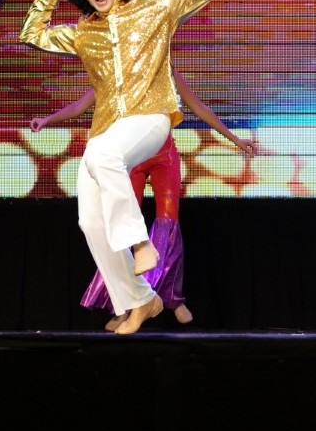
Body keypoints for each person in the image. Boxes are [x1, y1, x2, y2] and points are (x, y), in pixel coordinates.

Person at [21, 0, 222, 334]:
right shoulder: (83, 33)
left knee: (103, 158)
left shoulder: (154, 6)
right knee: (90, 221)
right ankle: (141, 299)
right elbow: (32, 34)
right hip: (106, 131)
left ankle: (140, 243)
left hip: (151, 118)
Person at [32, 72, 257, 329]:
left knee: (168, 223)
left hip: (164, 156)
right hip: (133, 158)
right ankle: (124, 303)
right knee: (119, 222)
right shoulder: (117, 68)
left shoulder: (164, 68)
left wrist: (234, 138)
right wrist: (47, 120)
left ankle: (171, 297)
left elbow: (198, 107)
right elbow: (80, 106)